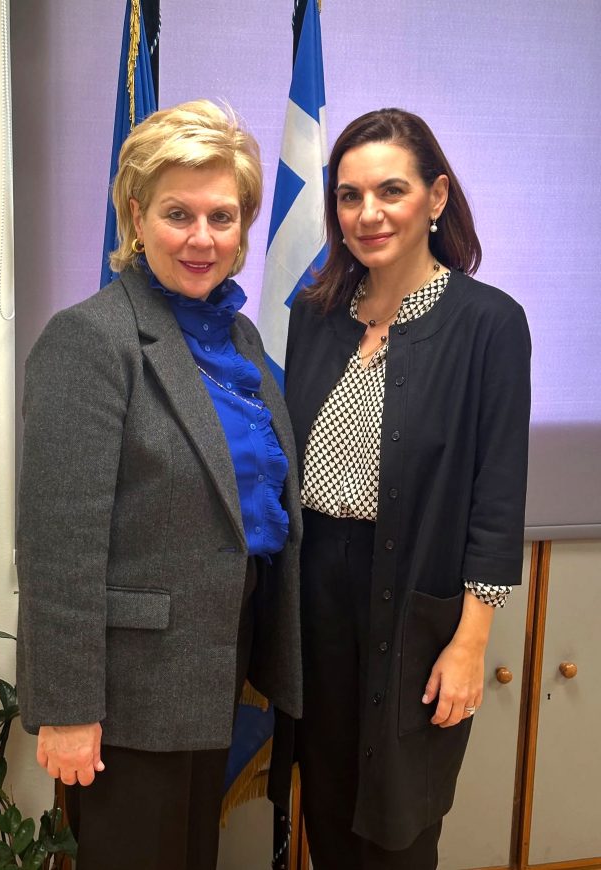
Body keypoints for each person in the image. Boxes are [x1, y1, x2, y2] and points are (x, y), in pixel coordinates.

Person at [15, 99, 302, 870]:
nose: (202, 238)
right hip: (130, 695)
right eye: (179, 214)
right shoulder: (90, 339)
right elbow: (58, 546)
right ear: (137, 217)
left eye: (222, 216)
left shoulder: (238, 337)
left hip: (218, 669)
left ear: (244, 227)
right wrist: (68, 711)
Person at [276, 108, 531, 869]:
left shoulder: (488, 324)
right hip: (316, 600)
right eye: (349, 196)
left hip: (415, 604)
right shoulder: (314, 316)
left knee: (399, 828)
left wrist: (470, 643)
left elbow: (497, 498)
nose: (369, 213)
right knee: (326, 806)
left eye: (391, 190)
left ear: (436, 197)